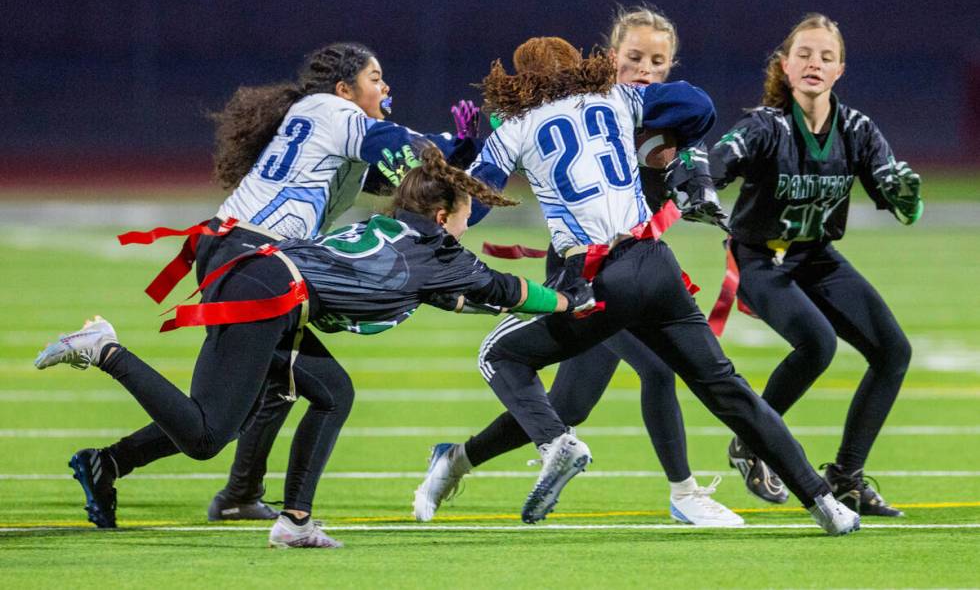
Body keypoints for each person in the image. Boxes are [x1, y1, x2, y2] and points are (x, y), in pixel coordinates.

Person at [35, 146, 595, 548]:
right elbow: (504, 289)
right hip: (269, 293)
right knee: (207, 433)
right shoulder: (441, 253)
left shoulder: (396, 226)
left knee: (327, 392)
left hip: (262, 277)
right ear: (444, 217)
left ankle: (279, 515)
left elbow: (439, 293)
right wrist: (572, 303)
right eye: (467, 216)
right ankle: (105, 349)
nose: (470, 226)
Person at [418, 35, 860, 535]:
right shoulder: (618, 98)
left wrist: (455, 175)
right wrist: (669, 135)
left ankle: (557, 447)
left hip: (594, 279)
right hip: (655, 266)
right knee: (728, 391)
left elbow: (470, 208)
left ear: (521, 83)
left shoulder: (515, 127)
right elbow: (699, 106)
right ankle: (826, 504)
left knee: (501, 357)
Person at [58, 42, 483, 529]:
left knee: (273, 392)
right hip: (251, 262)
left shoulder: (339, 131)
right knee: (213, 431)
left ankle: (184, 481)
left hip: (250, 258)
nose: (386, 87)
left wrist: (464, 150)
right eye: (374, 77)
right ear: (344, 89)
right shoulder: (333, 112)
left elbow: (411, 176)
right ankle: (106, 351)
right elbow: (403, 149)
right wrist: (457, 146)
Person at [413, 6, 742, 527]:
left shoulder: (663, 118)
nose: (645, 70)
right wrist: (468, 157)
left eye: (658, 61)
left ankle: (455, 460)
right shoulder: (593, 107)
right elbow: (489, 175)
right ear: (611, 58)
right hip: (583, 271)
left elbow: (698, 134)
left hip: (640, 266)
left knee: (569, 407)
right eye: (634, 57)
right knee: (658, 368)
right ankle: (685, 492)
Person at [709, 13, 921, 516]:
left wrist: (907, 197)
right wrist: (701, 177)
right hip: (758, 258)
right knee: (818, 342)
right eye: (804, 54)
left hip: (815, 255)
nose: (814, 64)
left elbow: (904, 204)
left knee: (893, 352)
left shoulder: (857, 129)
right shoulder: (766, 125)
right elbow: (722, 157)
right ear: (785, 65)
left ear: (839, 70)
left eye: (826, 57)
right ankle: (753, 440)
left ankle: (846, 477)